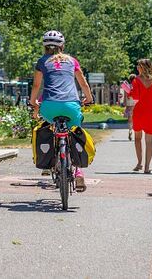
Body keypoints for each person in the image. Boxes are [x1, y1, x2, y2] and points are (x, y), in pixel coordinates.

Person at [30, 29, 95, 192]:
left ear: (44, 47)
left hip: (49, 107)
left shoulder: (42, 61)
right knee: (75, 130)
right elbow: (83, 83)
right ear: (62, 46)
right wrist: (89, 99)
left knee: (50, 126)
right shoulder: (72, 61)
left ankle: (50, 161)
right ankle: (78, 171)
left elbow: (37, 85)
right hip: (71, 106)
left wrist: (33, 103)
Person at [130, 59, 152, 174]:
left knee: (137, 138)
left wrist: (128, 91)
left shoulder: (136, 80)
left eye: (139, 66)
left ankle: (139, 163)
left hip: (139, 112)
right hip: (151, 113)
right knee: (149, 141)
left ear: (143, 67)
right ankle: (147, 167)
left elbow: (135, 97)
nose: (137, 68)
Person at [120, 76, 136, 141]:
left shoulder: (127, 86)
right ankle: (136, 131)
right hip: (135, 103)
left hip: (129, 103)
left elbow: (125, 97)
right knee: (135, 119)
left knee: (130, 119)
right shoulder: (137, 86)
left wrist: (124, 103)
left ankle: (130, 130)